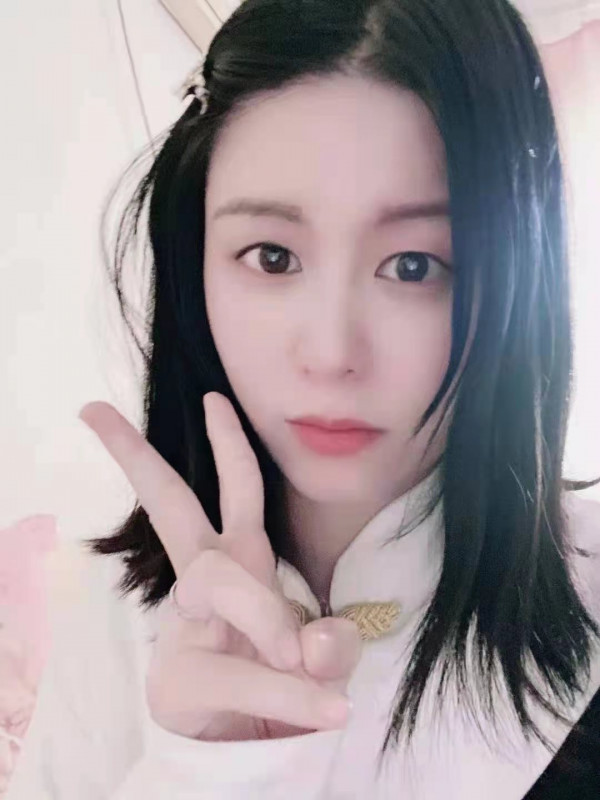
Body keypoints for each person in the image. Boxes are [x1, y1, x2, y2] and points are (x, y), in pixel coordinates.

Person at [7, 0, 600, 797]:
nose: (330, 353)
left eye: (415, 266)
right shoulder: (107, 614)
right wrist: (201, 773)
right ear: (193, 264)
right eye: (273, 256)